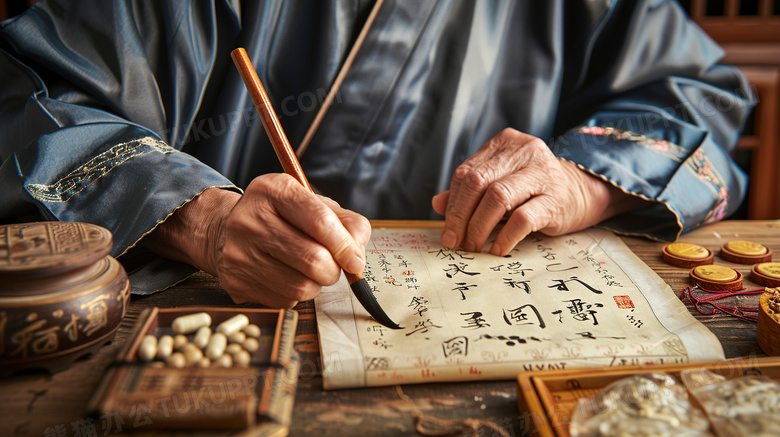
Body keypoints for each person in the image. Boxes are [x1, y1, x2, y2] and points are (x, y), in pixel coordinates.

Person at [0, 0, 753, 308]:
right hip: (199, 311)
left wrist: (583, 180)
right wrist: (201, 219)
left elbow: (694, 93)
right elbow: (26, 101)